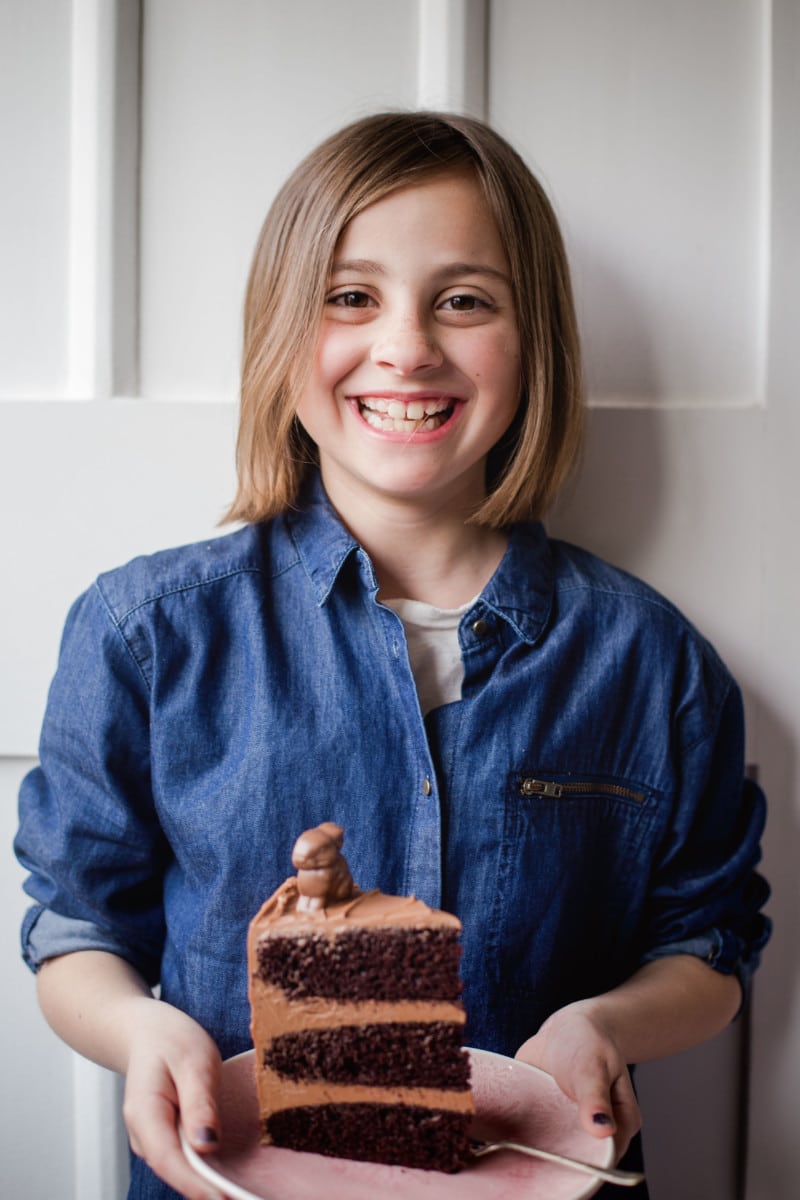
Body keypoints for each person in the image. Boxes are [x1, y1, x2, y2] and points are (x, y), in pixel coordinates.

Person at [15, 111, 770, 1200]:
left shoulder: (651, 662)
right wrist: (138, 1032)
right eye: (349, 297)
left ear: (535, 341)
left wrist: (603, 1024)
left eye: (463, 300)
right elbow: (79, 925)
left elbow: (707, 943)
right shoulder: (145, 633)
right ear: (281, 335)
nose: (406, 346)